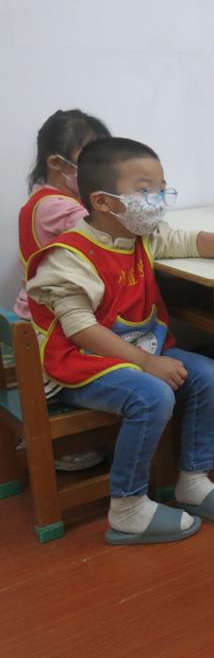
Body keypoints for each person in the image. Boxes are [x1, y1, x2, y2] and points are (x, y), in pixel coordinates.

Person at [26, 137, 214, 545]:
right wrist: (146, 364)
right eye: (146, 192)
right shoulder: (71, 256)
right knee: (152, 396)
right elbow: (80, 329)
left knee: (207, 373)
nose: (159, 201)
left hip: (136, 354)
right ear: (103, 201)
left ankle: (193, 479)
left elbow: (188, 240)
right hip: (82, 365)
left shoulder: (140, 236)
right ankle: (127, 505)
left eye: (162, 189)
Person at [14, 110, 110, 471]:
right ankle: (66, 441)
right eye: (91, 159)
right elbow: (111, 230)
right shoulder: (59, 207)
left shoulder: (40, 198)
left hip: (34, 315)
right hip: (47, 326)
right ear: (57, 163)